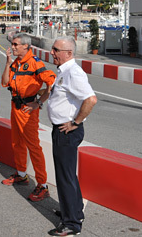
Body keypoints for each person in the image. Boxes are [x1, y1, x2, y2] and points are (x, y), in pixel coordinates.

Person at [40, 37, 97, 236]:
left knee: (65, 177)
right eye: (52, 49)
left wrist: (75, 122)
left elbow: (91, 99)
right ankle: (72, 212)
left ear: (68, 53)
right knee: (68, 175)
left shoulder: (73, 72)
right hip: (62, 130)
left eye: (56, 50)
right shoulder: (63, 71)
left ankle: (71, 224)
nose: (52, 53)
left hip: (67, 131)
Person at [1, 33, 56, 202]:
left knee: (33, 147)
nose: (13, 47)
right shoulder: (16, 63)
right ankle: (22, 175)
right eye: (13, 44)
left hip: (28, 109)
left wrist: (38, 103)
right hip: (15, 107)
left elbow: (51, 83)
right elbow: (4, 83)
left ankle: (42, 185)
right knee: (17, 143)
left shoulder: (35, 63)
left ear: (26, 46)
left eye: (16, 44)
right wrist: (8, 63)